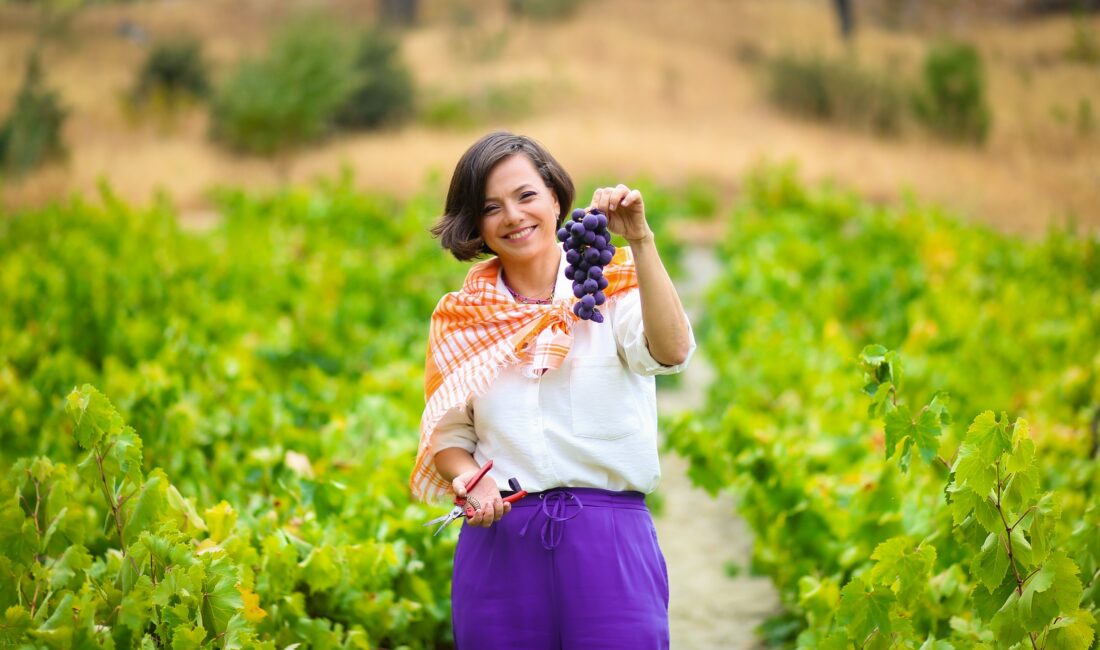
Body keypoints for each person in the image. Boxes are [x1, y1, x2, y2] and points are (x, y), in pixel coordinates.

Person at [410, 131, 696, 649]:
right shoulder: (460, 320)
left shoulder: (612, 288)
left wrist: (642, 241)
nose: (514, 217)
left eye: (525, 196)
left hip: (609, 543)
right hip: (500, 547)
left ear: (556, 198)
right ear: (475, 224)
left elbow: (672, 351)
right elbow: (448, 438)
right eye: (491, 207)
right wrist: (469, 478)